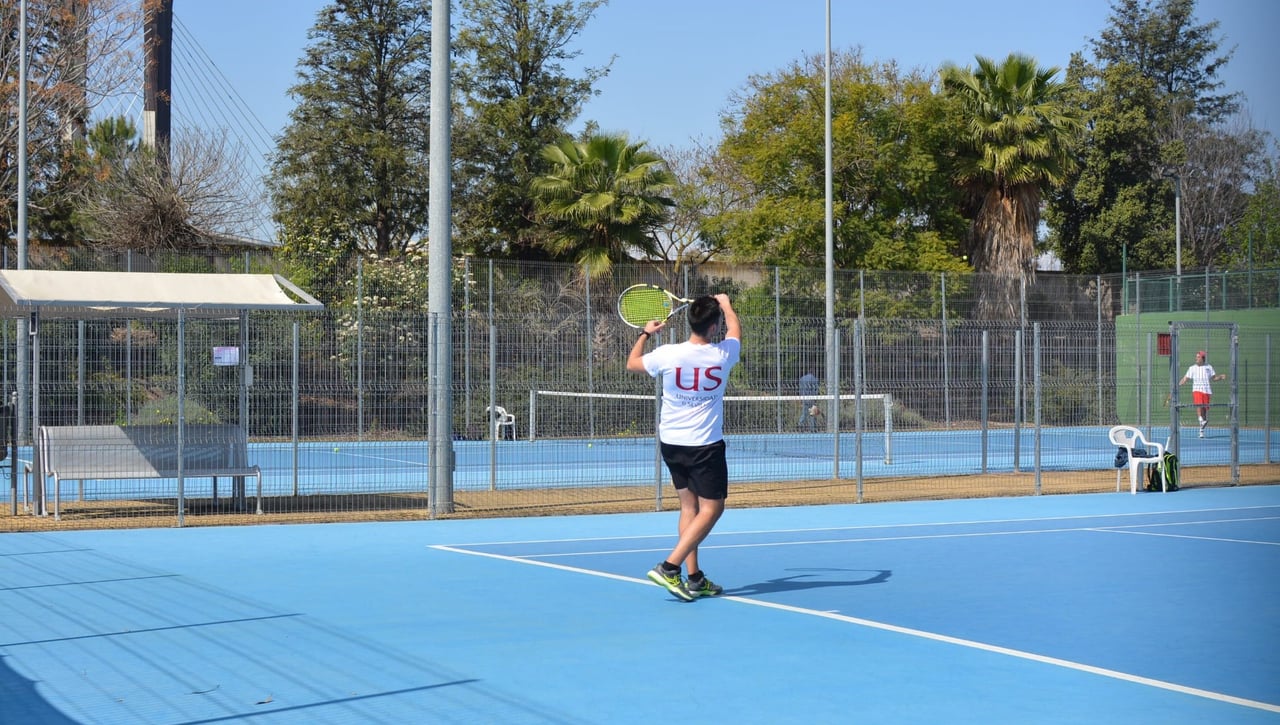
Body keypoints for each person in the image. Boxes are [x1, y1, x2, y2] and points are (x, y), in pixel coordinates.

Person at [627, 293, 741, 601]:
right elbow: (735, 329)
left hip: (671, 443)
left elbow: (632, 363)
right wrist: (727, 304)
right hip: (704, 446)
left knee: (689, 508)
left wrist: (645, 334)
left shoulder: (667, 353)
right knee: (712, 509)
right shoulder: (724, 354)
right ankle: (669, 567)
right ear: (715, 326)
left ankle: (694, 578)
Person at [1178, 350, 1226, 438]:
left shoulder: (1209, 367)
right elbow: (1185, 378)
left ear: (1203, 358)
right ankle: (1200, 419)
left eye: (1198, 357)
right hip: (1197, 389)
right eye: (1196, 357)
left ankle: (1201, 430)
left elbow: (1214, 378)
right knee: (1198, 405)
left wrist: (1221, 377)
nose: (1196, 358)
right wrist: (1179, 383)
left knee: (1204, 411)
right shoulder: (1192, 368)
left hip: (1207, 391)